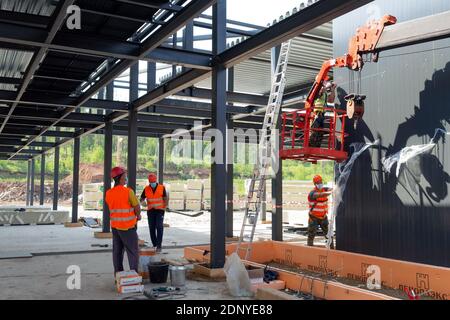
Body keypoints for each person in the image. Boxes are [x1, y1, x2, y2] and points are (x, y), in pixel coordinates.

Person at [105, 167, 141, 276]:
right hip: (127, 227)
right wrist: (138, 215)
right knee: (133, 251)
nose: (126, 178)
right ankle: (134, 276)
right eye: (124, 176)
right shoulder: (128, 192)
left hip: (115, 227)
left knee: (117, 252)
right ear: (120, 178)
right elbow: (136, 206)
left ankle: (118, 275)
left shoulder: (109, 193)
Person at [140, 173, 168, 253]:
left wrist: (165, 206)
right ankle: (155, 244)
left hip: (160, 210)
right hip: (151, 211)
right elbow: (142, 198)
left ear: (155, 181)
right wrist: (142, 202)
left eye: (153, 181)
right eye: (150, 182)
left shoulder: (161, 188)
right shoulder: (146, 189)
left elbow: (165, 198)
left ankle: (159, 246)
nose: (152, 183)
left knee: (159, 227)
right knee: (151, 228)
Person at [307, 174, 333, 247]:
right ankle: (310, 247)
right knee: (311, 234)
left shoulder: (324, 189)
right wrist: (330, 193)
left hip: (323, 217)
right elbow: (321, 195)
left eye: (321, 181)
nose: (320, 183)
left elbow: (330, 189)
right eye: (318, 182)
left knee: (328, 234)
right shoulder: (312, 193)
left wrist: (335, 189)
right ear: (315, 184)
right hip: (314, 217)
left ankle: (331, 247)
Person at [309, 81, 337, 147]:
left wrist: (333, 89)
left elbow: (331, 100)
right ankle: (312, 145)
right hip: (317, 114)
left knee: (320, 132)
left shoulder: (324, 94)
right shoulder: (317, 91)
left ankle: (317, 146)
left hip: (321, 115)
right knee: (315, 130)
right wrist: (329, 85)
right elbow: (321, 90)